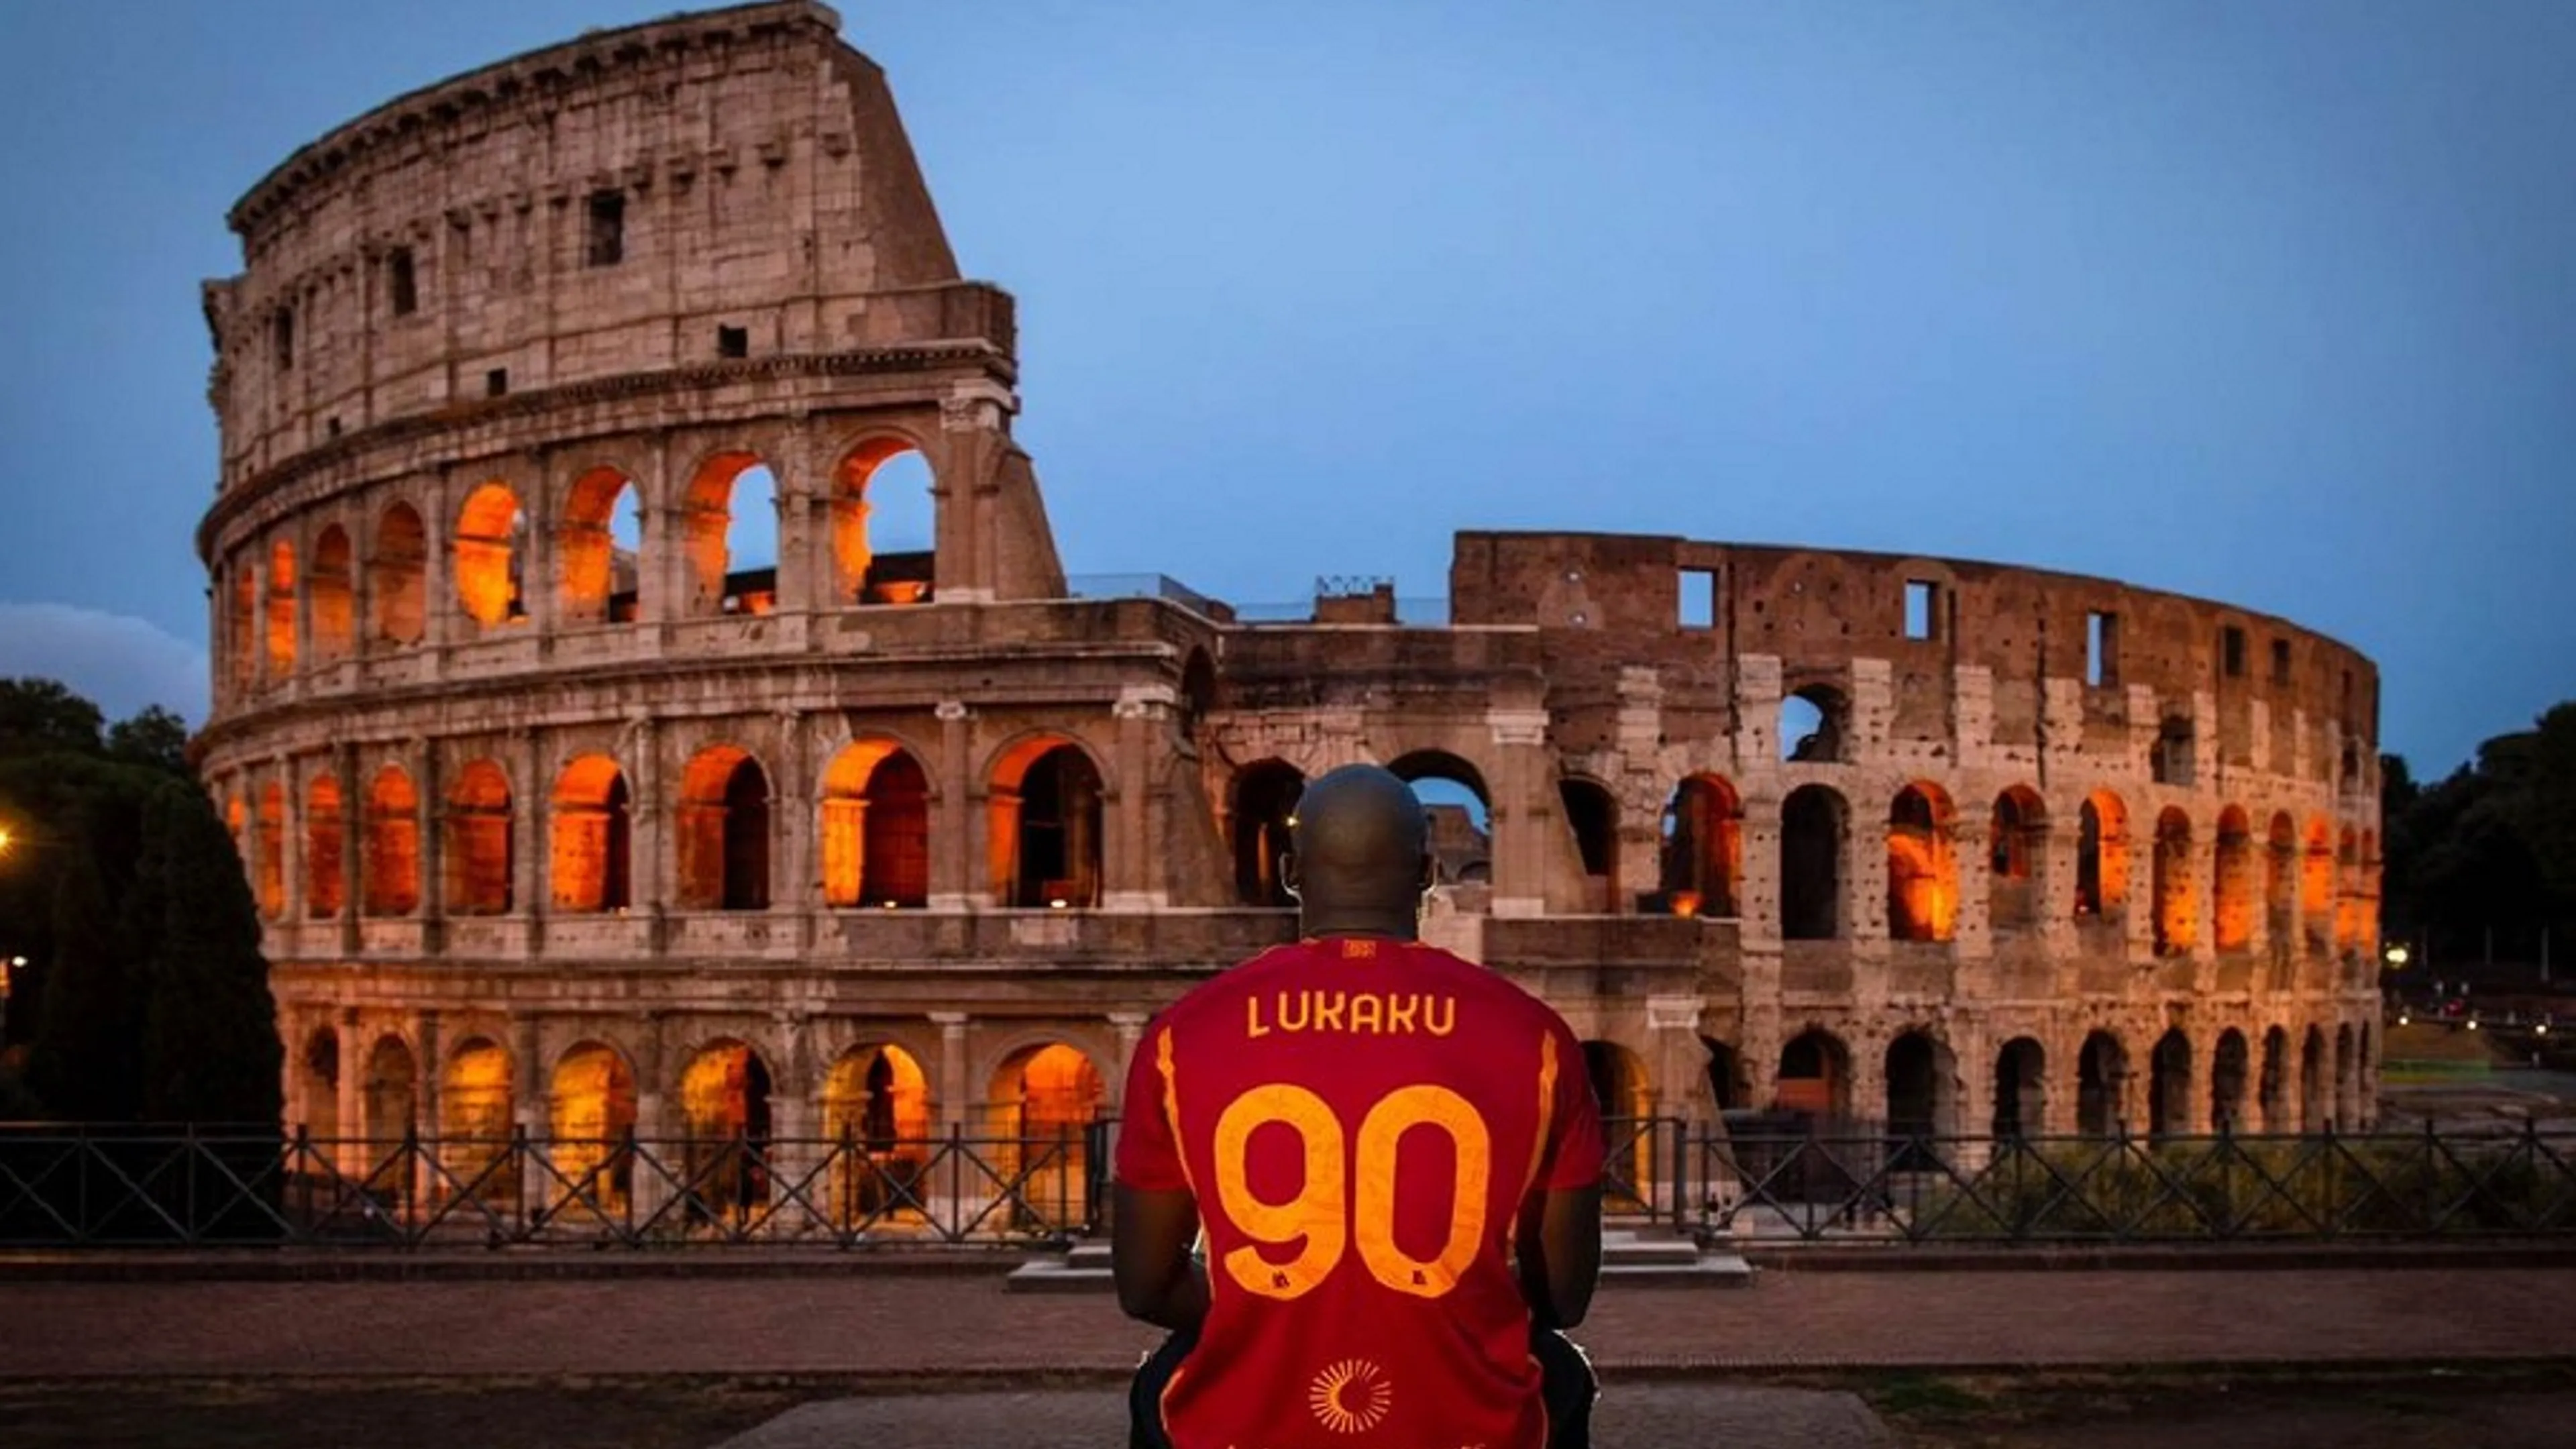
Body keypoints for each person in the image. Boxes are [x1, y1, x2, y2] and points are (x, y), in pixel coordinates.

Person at [1114, 763, 1605, 1449]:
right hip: (1466, 1426)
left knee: (1157, 1385)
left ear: (1291, 872)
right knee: (1564, 1376)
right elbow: (1564, 1297)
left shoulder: (1180, 1036)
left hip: (1242, 1430)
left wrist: (1266, 1303)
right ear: (1428, 872)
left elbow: (1144, 1287)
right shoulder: (1539, 1039)